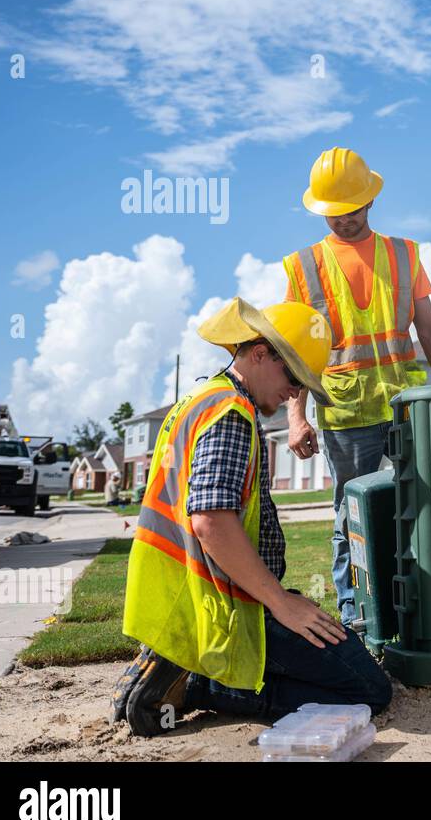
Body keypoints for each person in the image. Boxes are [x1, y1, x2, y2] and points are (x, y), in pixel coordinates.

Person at [111, 298, 392, 737]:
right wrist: (280, 604)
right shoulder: (231, 415)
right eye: (293, 376)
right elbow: (210, 520)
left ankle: (186, 665)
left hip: (192, 592)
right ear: (259, 353)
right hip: (220, 604)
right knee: (369, 689)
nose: (295, 393)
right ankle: (198, 685)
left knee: (339, 649)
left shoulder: (202, 398)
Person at [283, 147, 431, 627]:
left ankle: (421, 610)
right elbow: (297, 349)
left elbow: (429, 327)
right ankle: (357, 619)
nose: (343, 220)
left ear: (370, 201)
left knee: (422, 509)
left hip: (406, 408)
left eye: (351, 209)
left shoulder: (403, 253)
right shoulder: (305, 266)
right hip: (344, 415)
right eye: (333, 212)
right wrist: (295, 417)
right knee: (350, 519)